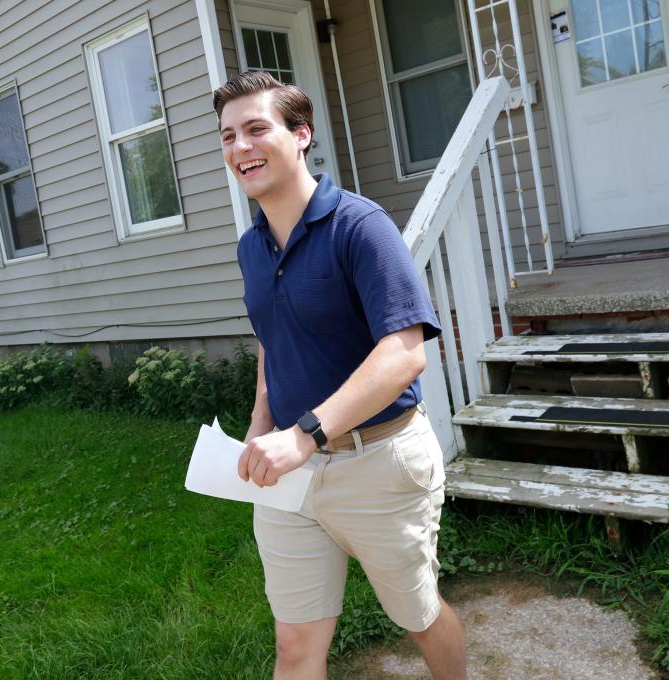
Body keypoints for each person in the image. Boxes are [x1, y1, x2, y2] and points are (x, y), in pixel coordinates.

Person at [213, 71, 467, 679]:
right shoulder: (252, 247)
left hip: (378, 462)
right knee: (295, 647)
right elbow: (273, 340)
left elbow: (404, 353)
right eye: (228, 136)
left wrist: (303, 435)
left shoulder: (361, 227)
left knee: (420, 617)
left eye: (256, 129)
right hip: (287, 482)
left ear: (300, 135)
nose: (240, 147)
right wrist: (261, 422)